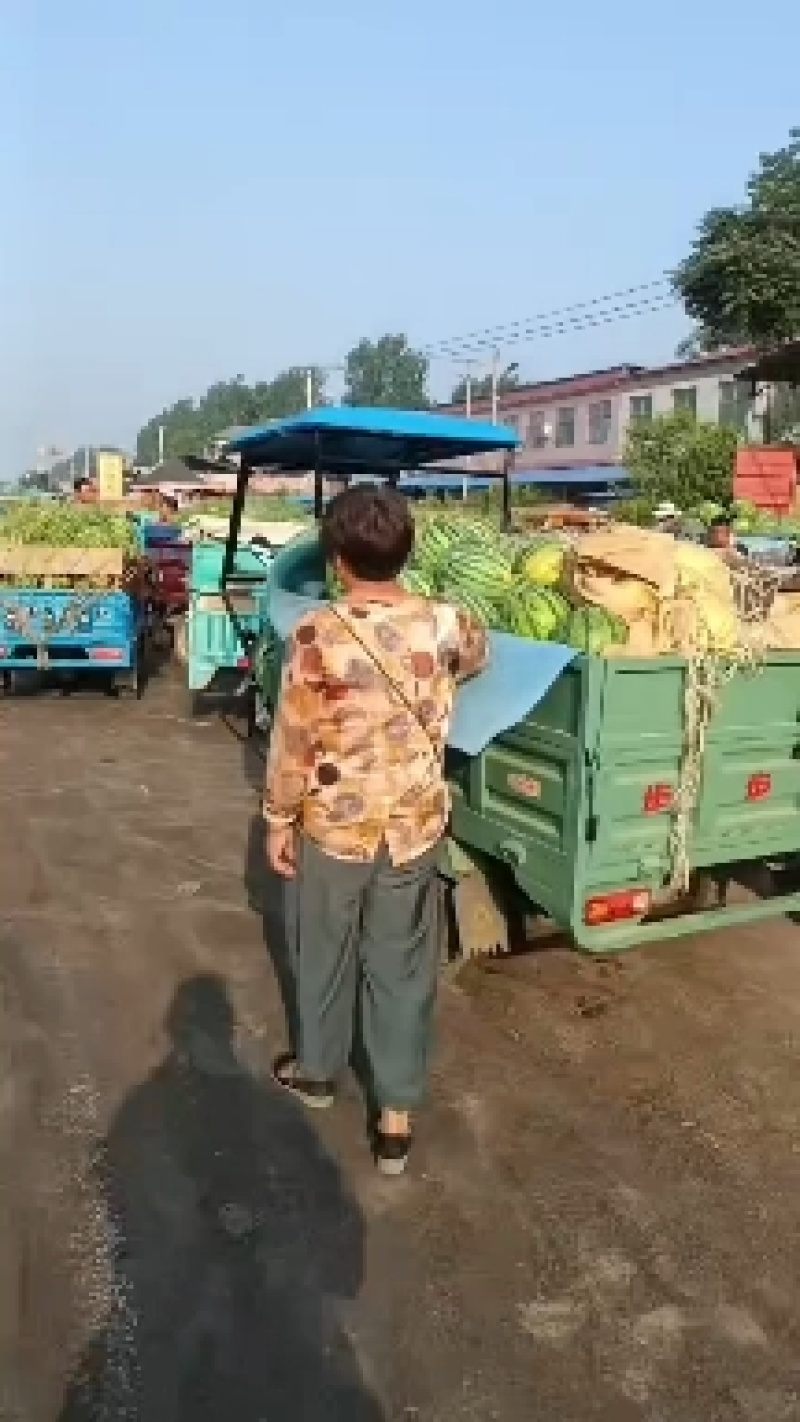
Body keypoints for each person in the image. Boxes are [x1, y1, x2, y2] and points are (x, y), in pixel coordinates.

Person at [263, 484, 488, 1175]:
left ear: (336, 559)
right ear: (408, 550)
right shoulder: (451, 623)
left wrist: (277, 818)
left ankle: (320, 1071)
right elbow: (474, 662)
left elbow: (294, 738)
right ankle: (395, 1120)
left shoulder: (316, 633)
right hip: (413, 826)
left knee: (324, 947)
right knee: (401, 963)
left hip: (334, 824)